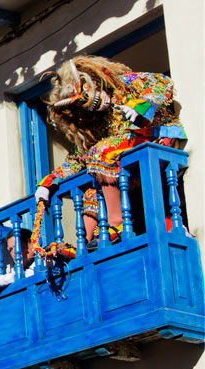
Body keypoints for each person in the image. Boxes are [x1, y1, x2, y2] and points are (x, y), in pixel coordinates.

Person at [35, 56, 185, 242]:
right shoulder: (96, 123)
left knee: (100, 151)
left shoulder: (123, 84)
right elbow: (78, 158)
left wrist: (141, 106)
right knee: (92, 189)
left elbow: (163, 83)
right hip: (125, 161)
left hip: (155, 138)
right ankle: (84, 243)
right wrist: (51, 180)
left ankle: (116, 222)